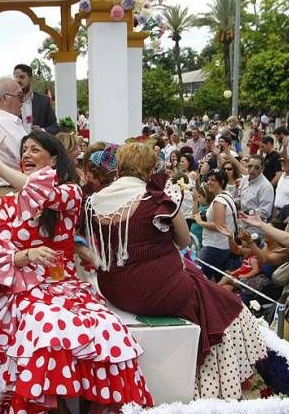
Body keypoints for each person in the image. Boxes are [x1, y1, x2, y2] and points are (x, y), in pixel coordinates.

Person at [0, 131, 152, 414]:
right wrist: (25, 255)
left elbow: (43, 194)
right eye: (24, 149)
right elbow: (2, 252)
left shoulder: (69, 193)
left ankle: (112, 407)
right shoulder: (9, 203)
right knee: (47, 328)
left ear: (54, 160)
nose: (26, 153)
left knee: (109, 327)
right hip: (25, 290)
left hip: (66, 286)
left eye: (36, 149)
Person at [85, 142, 266, 400]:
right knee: (222, 304)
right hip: (154, 290)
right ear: (149, 168)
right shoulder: (156, 199)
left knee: (199, 283)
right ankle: (213, 385)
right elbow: (183, 241)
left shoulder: (95, 200)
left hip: (113, 288)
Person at [0, 77, 29, 213]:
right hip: (10, 191)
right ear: (5, 98)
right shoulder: (2, 122)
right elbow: (25, 155)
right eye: (20, 96)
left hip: (8, 190)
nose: (23, 101)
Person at [194, 169, 238, 281]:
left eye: (213, 180)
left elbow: (219, 226)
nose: (209, 182)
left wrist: (201, 222)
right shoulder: (227, 195)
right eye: (208, 179)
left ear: (222, 182)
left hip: (214, 247)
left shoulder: (219, 200)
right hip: (223, 246)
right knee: (217, 281)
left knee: (199, 279)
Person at [13, 64, 57, 133]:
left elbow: (54, 127)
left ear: (30, 79)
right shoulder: (10, 101)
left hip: (37, 142)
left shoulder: (44, 101)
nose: (18, 80)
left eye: (22, 77)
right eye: (16, 77)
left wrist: (42, 131)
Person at [237, 156, 274, 230]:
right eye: (250, 166)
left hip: (255, 228)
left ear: (262, 168)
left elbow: (265, 212)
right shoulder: (244, 180)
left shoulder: (266, 186)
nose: (252, 169)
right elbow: (239, 196)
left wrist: (248, 213)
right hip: (240, 223)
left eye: (256, 167)